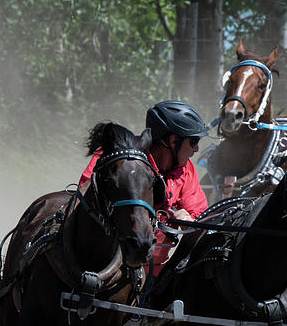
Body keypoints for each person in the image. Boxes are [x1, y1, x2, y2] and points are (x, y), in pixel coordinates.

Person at [78, 100, 211, 278]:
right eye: (193, 141)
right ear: (173, 141)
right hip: (107, 267)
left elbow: (199, 215)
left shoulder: (186, 170)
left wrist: (189, 219)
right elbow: (88, 196)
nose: (196, 149)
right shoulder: (117, 156)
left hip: (154, 273)